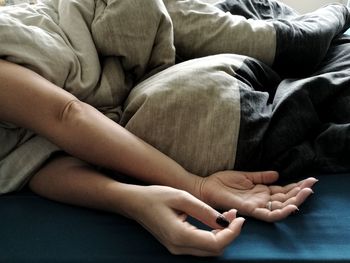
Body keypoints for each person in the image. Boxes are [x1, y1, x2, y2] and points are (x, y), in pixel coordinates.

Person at [1, 0, 348, 256]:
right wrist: (133, 200)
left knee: (298, 42)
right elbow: (33, 162)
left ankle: (340, 9)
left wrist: (193, 184)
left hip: (111, 19)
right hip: (121, 79)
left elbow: (64, 114)